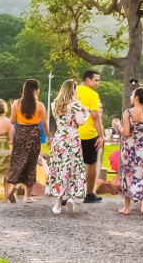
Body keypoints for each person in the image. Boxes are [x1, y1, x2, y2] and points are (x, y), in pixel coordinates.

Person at [111, 87, 143, 220]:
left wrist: (117, 126)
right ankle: (142, 205)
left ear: (136, 98)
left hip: (130, 148)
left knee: (127, 176)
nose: (130, 97)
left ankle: (127, 207)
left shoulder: (128, 113)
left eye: (132, 95)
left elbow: (125, 132)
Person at [46, 79, 88, 213]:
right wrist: (86, 113)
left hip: (59, 139)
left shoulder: (54, 104)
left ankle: (58, 203)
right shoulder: (76, 105)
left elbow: (59, 121)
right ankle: (70, 198)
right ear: (72, 90)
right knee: (72, 168)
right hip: (72, 141)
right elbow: (80, 121)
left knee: (59, 168)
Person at [6, 79, 49, 203]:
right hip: (33, 134)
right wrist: (48, 138)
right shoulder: (40, 105)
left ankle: (13, 188)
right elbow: (45, 124)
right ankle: (27, 196)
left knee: (17, 161)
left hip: (20, 133)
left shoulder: (17, 104)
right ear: (36, 90)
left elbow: (12, 120)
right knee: (31, 164)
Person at [77, 70, 104, 203]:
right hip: (88, 134)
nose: (98, 83)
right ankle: (89, 194)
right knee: (91, 164)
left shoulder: (73, 91)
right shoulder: (93, 95)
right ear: (88, 79)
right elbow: (95, 116)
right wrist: (101, 135)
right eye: (96, 80)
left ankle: (66, 194)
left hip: (73, 133)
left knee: (72, 164)